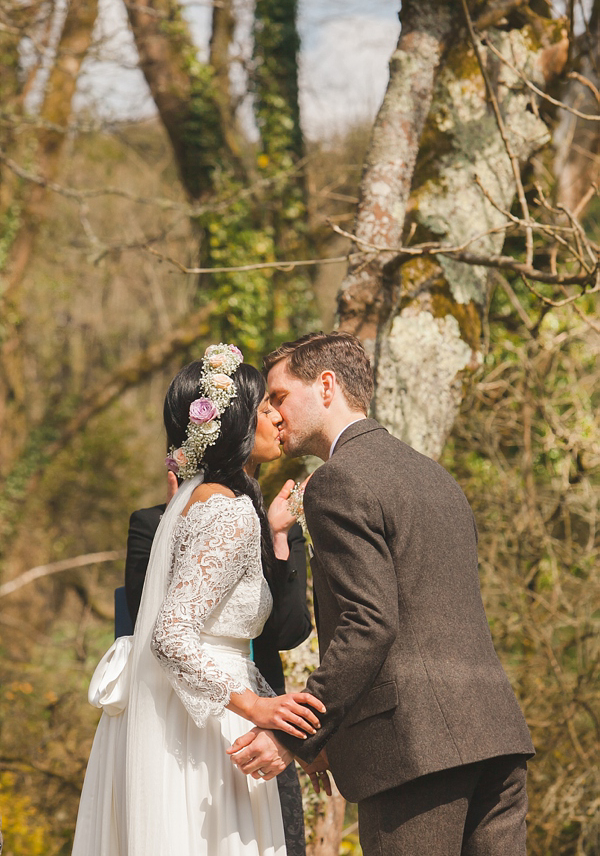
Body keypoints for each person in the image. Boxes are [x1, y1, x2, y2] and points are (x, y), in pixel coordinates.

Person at [229, 331, 535, 856]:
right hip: (497, 738)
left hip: (414, 755)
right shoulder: (436, 477)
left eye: (279, 397)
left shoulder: (337, 481)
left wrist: (296, 731)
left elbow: (369, 624)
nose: (274, 415)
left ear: (326, 386)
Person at [72, 344, 325, 856]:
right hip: (207, 732)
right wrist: (256, 705)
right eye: (264, 408)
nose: (278, 417)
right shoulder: (228, 511)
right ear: (234, 423)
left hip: (180, 716)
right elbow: (170, 636)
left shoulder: (192, 499)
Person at [123, 479, 312, 855]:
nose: (275, 418)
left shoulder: (280, 523)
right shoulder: (152, 522)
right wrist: (179, 532)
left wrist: (276, 536)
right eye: (264, 414)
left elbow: (290, 631)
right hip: (176, 716)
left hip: (262, 722)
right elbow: (145, 621)